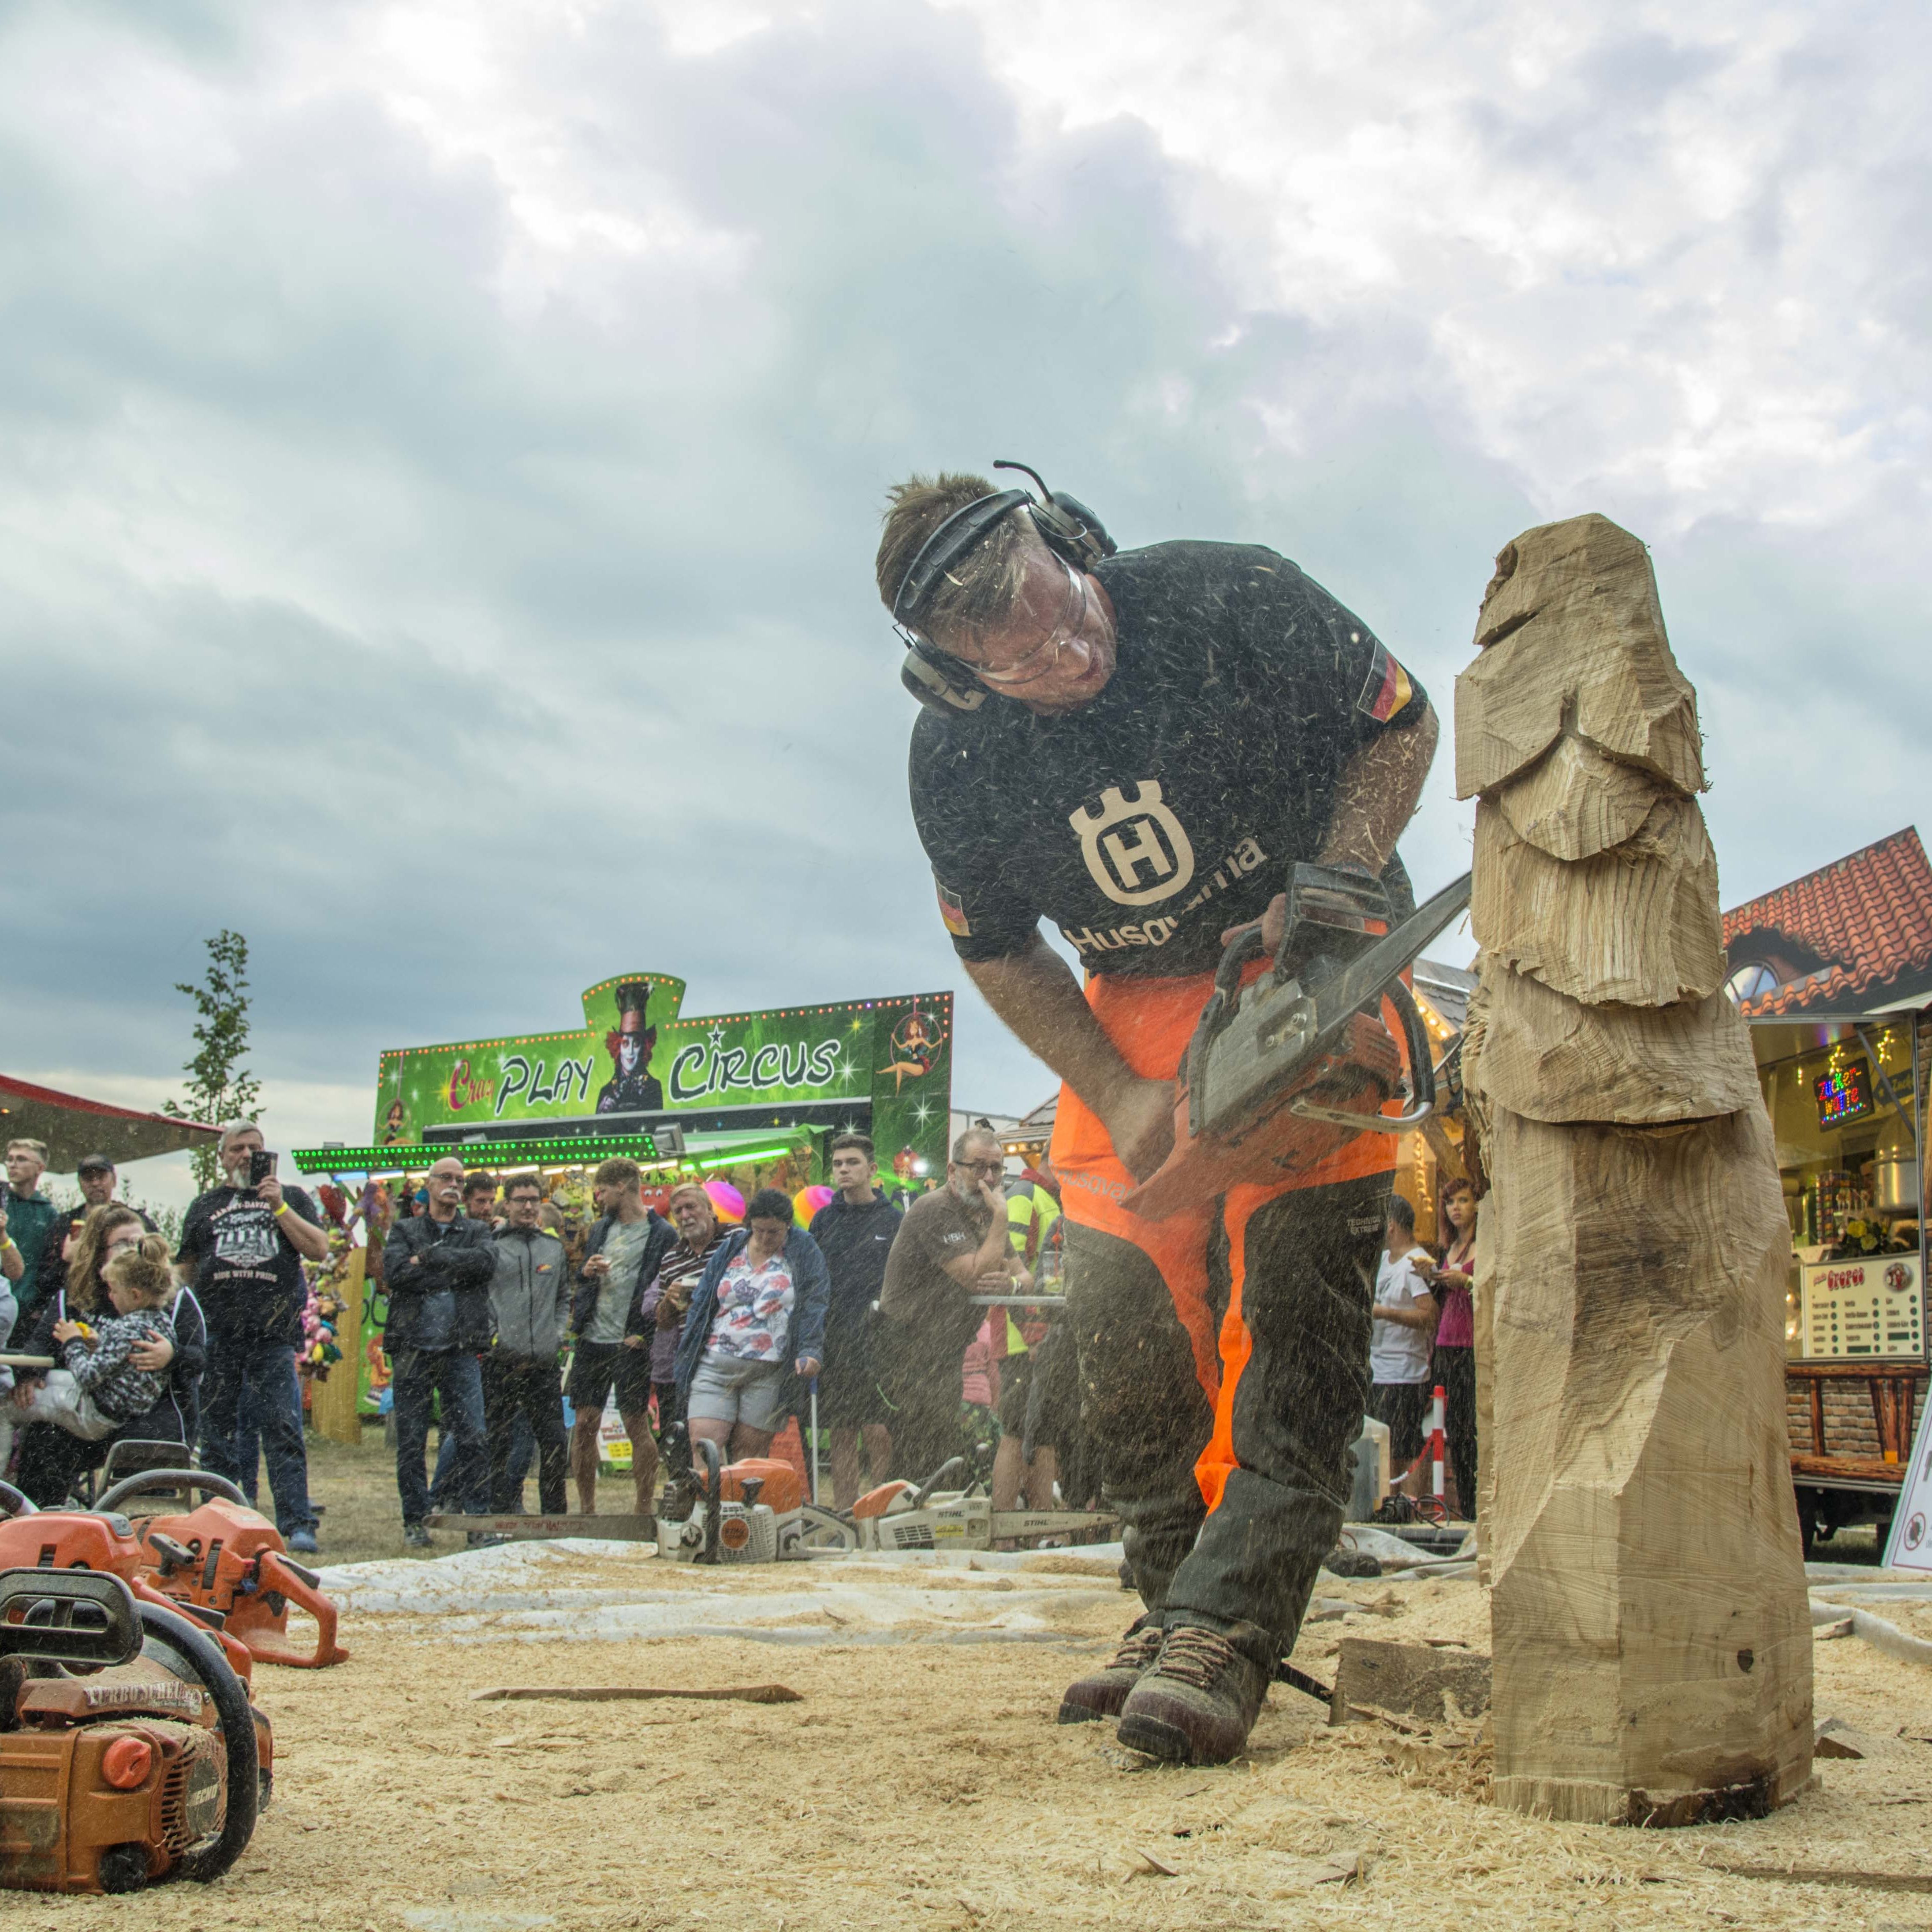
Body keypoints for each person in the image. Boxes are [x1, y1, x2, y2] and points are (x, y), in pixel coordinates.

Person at [877, 468, 1437, 1762]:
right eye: (1017, 658)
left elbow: (1397, 718)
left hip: (1304, 952)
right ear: (952, 673)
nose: (1062, 652)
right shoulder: (955, 756)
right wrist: (1118, 1087)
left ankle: (1231, 1628)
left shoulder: (1221, 593)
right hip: (1128, 1004)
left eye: (1062, 612)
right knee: (1123, 1317)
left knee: (1292, 1308)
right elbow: (1000, 947)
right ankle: (1170, 1595)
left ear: (1066, 541)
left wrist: (1343, 878)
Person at [176, 1123, 328, 1553]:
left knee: (282, 1429)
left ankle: (297, 1524)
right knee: (218, 1434)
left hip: (272, 1336)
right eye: (238, 1149)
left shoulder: (290, 1197)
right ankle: (222, 1521)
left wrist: (278, 1206)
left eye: (255, 1149)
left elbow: (318, 1249)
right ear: (222, 1157)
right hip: (219, 1336)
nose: (246, 1155)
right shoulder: (205, 1205)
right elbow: (186, 1269)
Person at [12, 1212, 197, 1502]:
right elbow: (40, 1343)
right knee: (44, 1435)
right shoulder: (75, 1295)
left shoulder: (172, 1297)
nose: (133, 1248)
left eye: (138, 1240)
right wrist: (29, 1375)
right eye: (122, 1243)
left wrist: (174, 1356)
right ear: (99, 1252)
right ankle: (40, 1519)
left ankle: (141, 1525)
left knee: (143, 1443)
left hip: (151, 1416)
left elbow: (201, 1358)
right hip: (90, 1414)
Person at [877, 1129, 1025, 1483]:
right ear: (951, 1171)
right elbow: (976, 1278)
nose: (988, 1178)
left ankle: (925, 1522)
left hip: (945, 1342)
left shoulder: (984, 1213)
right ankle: (906, 1525)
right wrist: (1002, 1219)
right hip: (907, 1341)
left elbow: (1026, 1277)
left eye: (996, 1169)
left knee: (940, 1440)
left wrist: (1013, 1284)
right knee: (925, 1440)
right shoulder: (936, 1208)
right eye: (978, 1167)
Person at [382, 1154, 497, 1546]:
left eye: (459, 1180)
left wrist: (430, 1257)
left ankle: (477, 1522)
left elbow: (484, 1265)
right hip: (413, 1346)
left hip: (461, 1347)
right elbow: (395, 1273)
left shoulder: (476, 1231)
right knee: (411, 1441)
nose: (453, 1185)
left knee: (473, 1436)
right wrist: (451, 1269)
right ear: (428, 1185)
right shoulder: (404, 1228)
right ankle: (415, 1521)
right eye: (445, 1178)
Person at [674, 1188, 827, 1464]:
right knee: (704, 1449)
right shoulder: (732, 1247)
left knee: (749, 1459)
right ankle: (708, 1506)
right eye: (759, 1231)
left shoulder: (805, 1249)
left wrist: (810, 1349)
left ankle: (741, 1507)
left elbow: (815, 1302)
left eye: (774, 1232)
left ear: (788, 1226)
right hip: (715, 1364)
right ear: (749, 1225)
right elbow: (704, 1299)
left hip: (768, 1371)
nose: (767, 1238)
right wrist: (688, 1346)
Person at [567, 1159, 674, 1517]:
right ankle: (587, 1510)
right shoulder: (599, 1229)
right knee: (585, 1424)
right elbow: (584, 1282)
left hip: (631, 1341)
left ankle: (643, 1508)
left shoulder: (661, 1233)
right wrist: (586, 1272)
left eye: (602, 1189)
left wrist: (644, 1334)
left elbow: (664, 1289)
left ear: (624, 1186)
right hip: (592, 1337)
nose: (598, 1197)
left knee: (635, 1423)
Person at [1, 1245, 175, 1452]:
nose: (110, 1296)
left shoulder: (126, 1327)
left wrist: (72, 1341)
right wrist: (99, 1344)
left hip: (95, 1415)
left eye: (114, 1290)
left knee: (4, 1407)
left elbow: (87, 1376)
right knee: (47, 1380)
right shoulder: (162, 1322)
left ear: (135, 1295)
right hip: (123, 1407)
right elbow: (123, 1362)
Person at [807, 1134, 900, 1507]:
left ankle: (879, 1513)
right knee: (842, 1432)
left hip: (880, 1340)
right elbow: (812, 1281)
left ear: (872, 1170)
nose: (844, 1169)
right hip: (835, 1339)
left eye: (853, 1162)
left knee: (879, 1431)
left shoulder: (894, 1220)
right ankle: (845, 1513)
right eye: (838, 1164)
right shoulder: (824, 1220)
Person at [483, 1175, 571, 1516]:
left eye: (534, 1199)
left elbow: (564, 1297)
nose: (528, 1206)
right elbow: (482, 1298)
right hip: (501, 1361)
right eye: (520, 1200)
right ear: (507, 1204)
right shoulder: (492, 1246)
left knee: (553, 1443)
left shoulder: (554, 1248)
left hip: (543, 1363)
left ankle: (555, 1518)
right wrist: (495, 1335)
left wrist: (557, 1333)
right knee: (498, 1442)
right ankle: (500, 1513)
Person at [641, 1182, 724, 1443]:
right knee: (680, 1441)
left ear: (710, 1209)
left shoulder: (736, 1241)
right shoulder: (671, 1258)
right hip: (684, 1362)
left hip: (725, 1359)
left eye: (691, 1207)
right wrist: (668, 1301)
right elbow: (663, 1321)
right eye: (678, 1211)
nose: (685, 1215)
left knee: (717, 1442)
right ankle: (686, 1483)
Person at [34, 1155, 156, 1314]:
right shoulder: (63, 1224)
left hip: (128, 1305)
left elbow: (156, 1267)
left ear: (114, 1180)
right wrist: (66, 1262)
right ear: (80, 1183)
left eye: (101, 1177)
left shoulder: (139, 1222)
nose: (96, 1183)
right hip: (78, 1306)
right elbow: (44, 1283)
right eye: (89, 1178)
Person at [1368, 1195, 1437, 1478]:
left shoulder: (1415, 1263)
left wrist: (1385, 1313)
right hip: (1378, 1368)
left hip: (1405, 1370)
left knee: (1404, 1447)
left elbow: (1430, 1315)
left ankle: (1409, 1508)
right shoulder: (1384, 1259)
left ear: (1392, 1225)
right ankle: (1386, 1505)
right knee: (1381, 1446)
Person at [1423, 1178, 1479, 1520]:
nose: (1456, 1208)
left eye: (1463, 1200)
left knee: (1474, 1426)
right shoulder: (1451, 1248)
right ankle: (1467, 1506)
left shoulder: (1484, 1244)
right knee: (1455, 1430)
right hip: (1447, 1343)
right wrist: (1431, 1275)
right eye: (1450, 1202)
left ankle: (1477, 1507)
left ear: (1476, 1206)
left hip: (1473, 1344)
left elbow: (1490, 1284)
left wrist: (1467, 1282)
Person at [3, 1140, 59, 1321]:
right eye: (10, 1159)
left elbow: (52, 1263)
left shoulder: (48, 1213)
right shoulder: (2, 1203)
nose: (13, 1164)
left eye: (21, 1159)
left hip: (29, 1307)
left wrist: (41, 1304)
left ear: (40, 1168)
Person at [595, 981, 664, 1114]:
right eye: (626, 1044)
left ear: (644, 1047)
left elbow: (654, 1124)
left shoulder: (653, 1087)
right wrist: (601, 1115)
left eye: (636, 1044)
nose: (631, 1052)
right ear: (618, 1047)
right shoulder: (606, 1091)